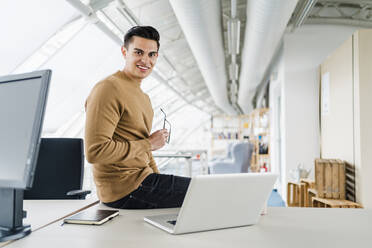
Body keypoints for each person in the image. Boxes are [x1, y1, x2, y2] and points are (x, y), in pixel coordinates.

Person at [84, 26, 190, 209]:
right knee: (207, 195)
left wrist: (158, 177)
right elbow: (95, 152)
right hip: (123, 190)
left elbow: (145, 152)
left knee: (204, 191)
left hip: (144, 181)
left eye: (152, 54)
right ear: (125, 52)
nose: (145, 60)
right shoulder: (108, 89)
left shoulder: (144, 98)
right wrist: (149, 144)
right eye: (138, 52)